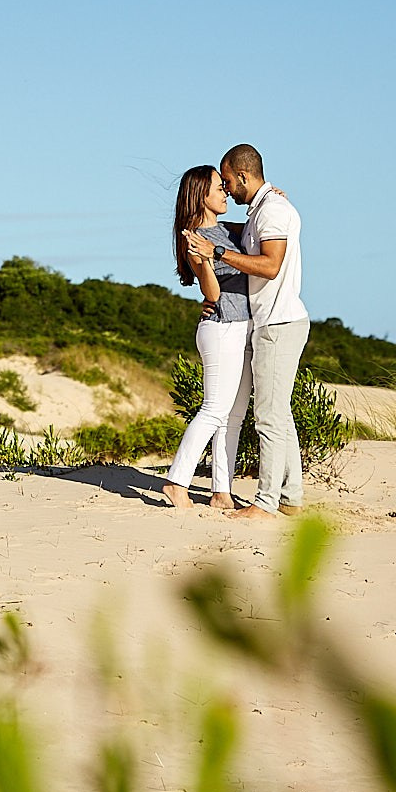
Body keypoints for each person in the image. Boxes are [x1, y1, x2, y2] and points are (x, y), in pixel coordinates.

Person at [182, 143, 307, 519]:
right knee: (279, 415)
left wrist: (216, 254)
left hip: (278, 324)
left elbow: (270, 266)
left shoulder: (272, 210)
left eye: (227, 181)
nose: (226, 189)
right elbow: (227, 230)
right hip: (265, 323)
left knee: (267, 417)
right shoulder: (261, 211)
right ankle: (291, 498)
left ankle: (267, 503)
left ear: (242, 176)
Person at [161, 165, 252, 509]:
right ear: (201, 195)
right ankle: (176, 482)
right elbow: (212, 293)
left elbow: (267, 227)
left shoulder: (229, 230)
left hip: (243, 326)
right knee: (214, 409)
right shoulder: (194, 237)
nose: (225, 192)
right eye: (219, 187)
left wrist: (274, 197)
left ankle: (221, 492)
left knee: (235, 414)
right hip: (220, 327)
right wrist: (203, 259)